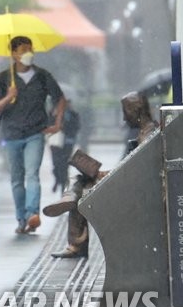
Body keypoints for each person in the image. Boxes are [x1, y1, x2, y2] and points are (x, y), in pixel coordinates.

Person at [43, 91, 158, 258]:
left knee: (79, 185)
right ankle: (70, 201)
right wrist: (105, 173)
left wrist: (107, 175)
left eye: (125, 112)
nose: (124, 119)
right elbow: (133, 166)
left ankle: (71, 209)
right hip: (127, 182)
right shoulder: (143, 131)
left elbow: (140, 172)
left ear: (135, 111)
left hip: (132, 191)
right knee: (79, 179)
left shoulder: (148, 134)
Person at [0, 35, 65, 235]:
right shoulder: (4, 78)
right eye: (23, 50)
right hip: (12, 134)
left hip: (35, 133)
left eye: (30, 49)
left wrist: (57, 123)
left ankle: (33, 213)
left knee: (32, 174)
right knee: (16, 178)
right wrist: (9, 96)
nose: (27, 53)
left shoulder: (42, 76)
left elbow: (59, 99)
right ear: (13, 53)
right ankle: (21, 219)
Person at [48, 98, 81, 194]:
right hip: (55, 142)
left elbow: (76, 127)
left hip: (67, 142)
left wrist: (66, 127)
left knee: (65, 164)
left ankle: (63, 184)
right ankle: (58, 179)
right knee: (56, 164)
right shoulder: (53, 112)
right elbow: (47, 125)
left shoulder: (73, 114)